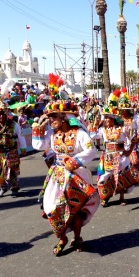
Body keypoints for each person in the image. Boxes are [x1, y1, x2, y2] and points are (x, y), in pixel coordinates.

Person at [33, 100, 99, 256]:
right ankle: (62, 238)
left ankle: (77, 237)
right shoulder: (51, 134)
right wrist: (37, 129)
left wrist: (74, 161)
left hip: (75, 176)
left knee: (74, 210)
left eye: (53, 116)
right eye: (50, 117)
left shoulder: (79, 133)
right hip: (57, 175)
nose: (50, 120)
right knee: (52, 208)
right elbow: (39, 146)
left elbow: (91, 149)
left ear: (64, 117)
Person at [95, 91, 139, 207]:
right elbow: (93, 136)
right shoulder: (103, 130)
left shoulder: (123, 129)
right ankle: (105, 197)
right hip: (107, 156)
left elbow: (134, 138)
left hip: (120, 156)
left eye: (107, 118)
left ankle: (122, 197)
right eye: (105, 118)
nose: (105, 120)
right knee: (105, 177)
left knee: (121, 176)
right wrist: (94, 125)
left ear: (113, 119)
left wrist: (129, 150)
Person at [0, 103, 27, 197]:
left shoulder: (14, 124)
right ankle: (3, 188)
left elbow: (20, 136)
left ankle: (14, 188)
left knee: (12, 171)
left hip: (11, 151)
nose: (1, 116)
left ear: (6, 114)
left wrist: (23, 148)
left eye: (3, 114)